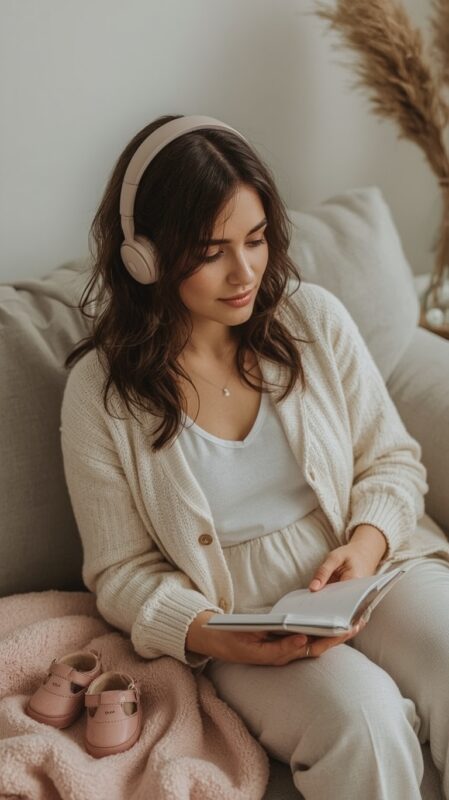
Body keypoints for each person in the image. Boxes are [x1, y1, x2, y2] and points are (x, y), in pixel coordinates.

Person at [60, 113, 449, 799]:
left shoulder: (313, 319)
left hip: (370, 567)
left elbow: (390, 460)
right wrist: (210, 634)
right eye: (212, 252)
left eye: (257, 238)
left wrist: (363, 547)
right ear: (143, 256)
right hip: (240, 615)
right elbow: (118, 571)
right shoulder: (102, 392)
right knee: (362, 720)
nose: (244, 272)